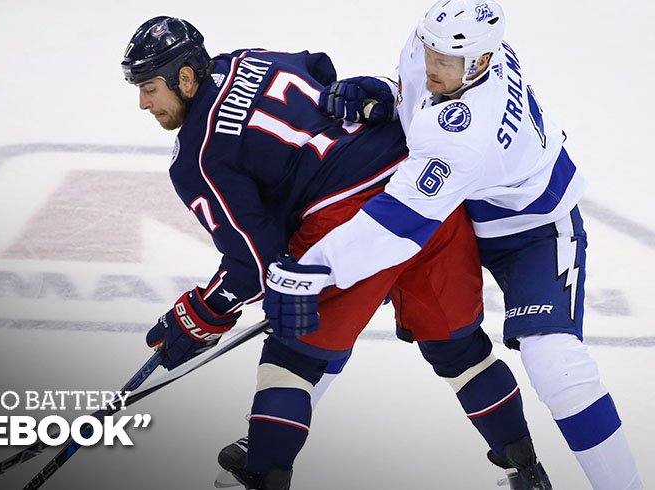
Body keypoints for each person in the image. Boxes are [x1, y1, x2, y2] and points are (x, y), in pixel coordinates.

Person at [122, 16, 550, 490]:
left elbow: (255, 265)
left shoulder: (198, 158)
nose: (143, 103)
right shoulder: (252, 60)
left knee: (291, 360)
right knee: (461, 350)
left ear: (185, 77)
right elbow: (324, 73)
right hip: (422, 192)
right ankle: (527, 471)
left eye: (149, 87)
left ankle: (261, 474)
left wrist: (201, 314)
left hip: (347, 220)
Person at [268, 1, 644, 489]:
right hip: (461, 211)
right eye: (431, 51)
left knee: (555, 363)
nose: (433, 66)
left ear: (482, 62)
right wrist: (383, 93)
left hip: (532, 228)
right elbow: (413, 96)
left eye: (447, 61)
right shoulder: (444, 49)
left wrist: (318, 268)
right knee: (346, 313)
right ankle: (264, 452)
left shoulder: (466, 133)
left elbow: (399, 221)